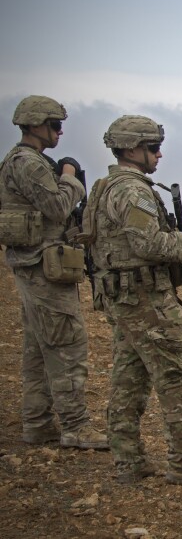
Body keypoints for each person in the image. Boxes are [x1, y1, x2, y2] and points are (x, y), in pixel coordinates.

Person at [85, 115, 182, 485]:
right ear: (131, 149)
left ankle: (129, 461)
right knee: (175, 377)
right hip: (145, 300)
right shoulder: (132, 191)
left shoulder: (105, 187)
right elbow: (150, 243)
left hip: (124, 297)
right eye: (152, 147)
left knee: (130, 376)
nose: (159, 155)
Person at [0, 95, 107, 450]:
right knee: (66, 344)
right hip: (44, 267)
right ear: (34, 125)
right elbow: (58, 207)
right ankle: (76, 426)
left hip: (38, 265)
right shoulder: (28, 164)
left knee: (37, 347)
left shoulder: (25, 161)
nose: (59, 132)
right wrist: (71, 177)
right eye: (54, 125)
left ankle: (37, 422)